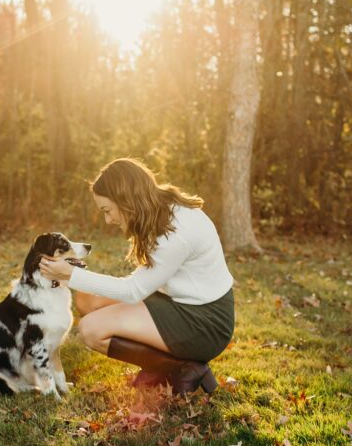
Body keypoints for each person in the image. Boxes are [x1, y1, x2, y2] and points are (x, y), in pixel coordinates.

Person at [40, 158, 235, 395]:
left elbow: (133, 290)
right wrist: (76, 278)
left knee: (91, 330)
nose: (108, 220)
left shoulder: (176, 231)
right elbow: (142, 283)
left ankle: (183, 367)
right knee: (86, 300)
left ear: (127, 201)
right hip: (176, 301)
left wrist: (71, 274)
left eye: (108, 210)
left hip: (204, 323)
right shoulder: (160, 210)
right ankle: (160, 366)